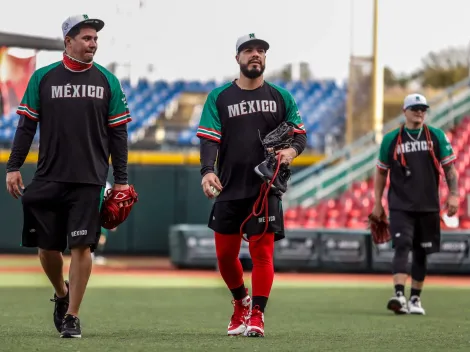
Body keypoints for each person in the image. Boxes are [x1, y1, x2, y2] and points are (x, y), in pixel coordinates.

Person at [5, 14, 132, 338]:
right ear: (68, 41)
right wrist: (14, 166)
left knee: (82, 247)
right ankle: (61, 295)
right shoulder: (44, 78)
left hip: (88, 178)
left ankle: (73, 315)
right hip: (48, 176)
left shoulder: (107, 80)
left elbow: (119, 134)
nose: (93, 43)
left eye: (95, 39)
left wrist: (121, 179)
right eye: (86, 38)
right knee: (46, 249)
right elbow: (26, 126)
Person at [196, 33, 307, 337]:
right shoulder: (219, 97)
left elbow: (300, 135)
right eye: (249, 50)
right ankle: (240, 302)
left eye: (260, 51)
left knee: (262, 255)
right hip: (230, 185)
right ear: (238, 58)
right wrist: (208, 171)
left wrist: (291, 151)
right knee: (224, 255)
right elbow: (208, 138)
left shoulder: (281, 97)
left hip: (264, 187)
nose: (255, 55)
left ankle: (257, 314)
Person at [373, 93, 458, 315]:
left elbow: (449, 168)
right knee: (402, 245)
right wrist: (377, 203)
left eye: (423, 108)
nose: (419, 111)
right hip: (400, 205)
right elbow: (381, 172)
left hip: (429, 204)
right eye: (415, 108)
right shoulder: (391, 139)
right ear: (405, 111)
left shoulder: (436, 136)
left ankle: (415, 300)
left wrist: (454, 194)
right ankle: (399, 295)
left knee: (422, 252)